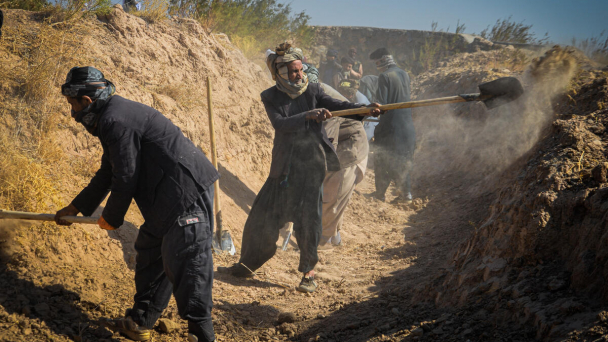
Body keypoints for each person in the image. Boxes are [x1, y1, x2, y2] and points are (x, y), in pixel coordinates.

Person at [54, 67, 219, 342]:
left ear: (87, 102)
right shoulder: (114, 115)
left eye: (72, 104)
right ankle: (140, 323)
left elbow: (126, 176)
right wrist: (75, 207)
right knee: (151, 252)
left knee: (187, 258)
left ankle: (202, 334)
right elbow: (109, 171)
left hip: (184, 190)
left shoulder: (114, 120)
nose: (73, 114)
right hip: (163, 194)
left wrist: (112, 217)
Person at [217, 43, 382, 293]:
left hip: (311, 167)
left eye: (300, 69)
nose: (299, 75)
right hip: (283, 168)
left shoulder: (314, 90)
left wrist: (365, 110)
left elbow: (342, 108)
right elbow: (280, 123)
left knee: (309, 222)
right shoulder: (270, 97)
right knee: (260, 219)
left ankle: (308, 275)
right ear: (280, 73)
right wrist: (308, 115)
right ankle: (247, 266)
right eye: (293, 71)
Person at [318, 79, 370, 250]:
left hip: (349, 150)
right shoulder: (318, 94)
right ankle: (335, 237)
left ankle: (323, 242)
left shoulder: (326, 107)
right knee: (334, 195)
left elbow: (328, 144)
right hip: (341, 145)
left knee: (333, 195)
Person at [369, 47, 416, 204]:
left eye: (377, 63)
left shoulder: (384, 76)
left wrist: (372, 110)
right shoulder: (404, 74)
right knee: (402, 160)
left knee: (382, 159)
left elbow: (381, 106)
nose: (377, 67)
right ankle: (406, 195)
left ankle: (380, 194)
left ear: (382, 61)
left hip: (391, 128)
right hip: (407, 126)